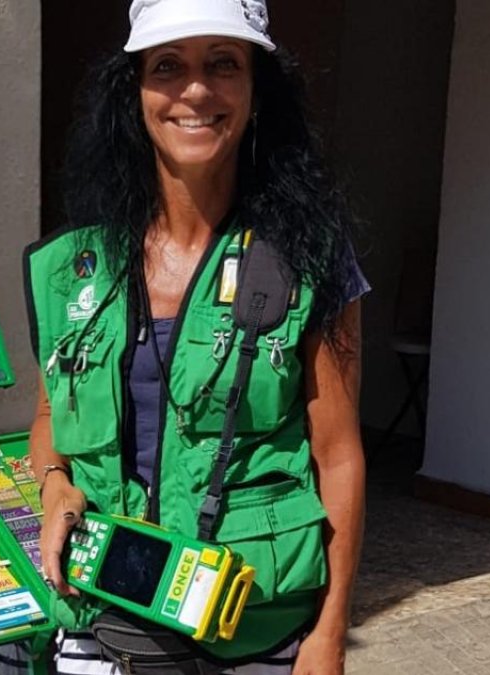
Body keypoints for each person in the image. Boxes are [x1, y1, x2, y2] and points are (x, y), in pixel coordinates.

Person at [21, 1, 368, 673]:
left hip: (257, 637)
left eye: (224, 64)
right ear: (137, 93)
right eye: (169, 66)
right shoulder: (75, 267)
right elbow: (47, 417)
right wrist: (54, 483)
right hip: (100, 627)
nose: (197, 90)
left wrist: (328, 636)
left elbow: (340, 457)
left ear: (256, 89)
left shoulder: (309, 256)